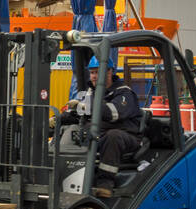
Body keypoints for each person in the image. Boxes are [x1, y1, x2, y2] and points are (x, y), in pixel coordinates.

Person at [60, 56, 144, 191]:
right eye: (92, 72)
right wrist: (57, 119)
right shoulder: (90, 93)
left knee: (113, 136)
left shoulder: (124, 93)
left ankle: (105, 184)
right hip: (99, 134)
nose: (93, 76)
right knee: (73, 131)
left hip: (127, 137)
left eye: (98, 72)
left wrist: (86, 105)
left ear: (110, 72)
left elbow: (113, 113)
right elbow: (79, 114)